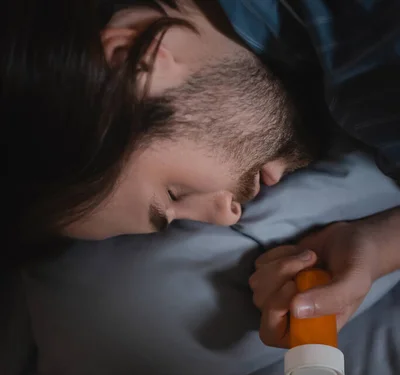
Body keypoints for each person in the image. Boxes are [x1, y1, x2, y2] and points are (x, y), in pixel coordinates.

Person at [2, 0, 400, 346]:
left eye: (174, 195)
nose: (227, 216)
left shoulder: (369, 61)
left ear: (134, 57)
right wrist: (375, 246)